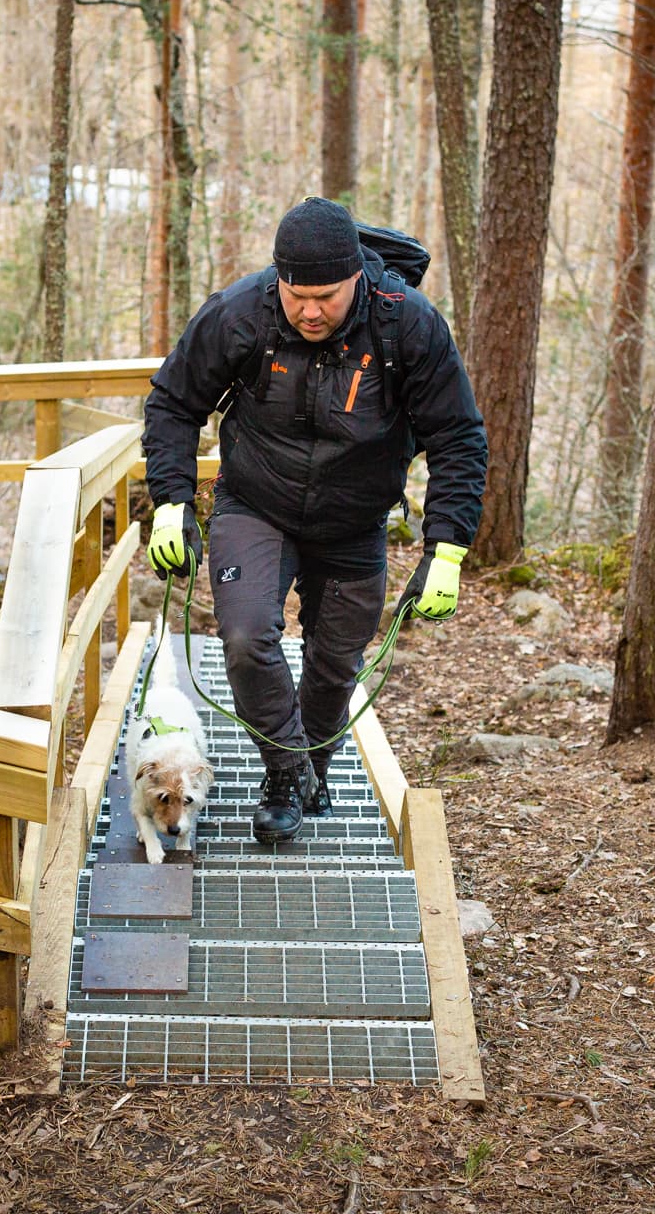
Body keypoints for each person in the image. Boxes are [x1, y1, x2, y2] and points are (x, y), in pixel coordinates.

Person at [141, 197, 488, 845]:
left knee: (334, 664)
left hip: (356, 519)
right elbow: (172, 401)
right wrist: (170, 503)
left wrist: (448, 550)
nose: (307, 310)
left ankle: (312, 767)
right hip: (256, 503)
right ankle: (287, 774)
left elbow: (459, 436)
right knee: (245, 639)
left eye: (324, 296)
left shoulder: (406, 326)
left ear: (356, 276)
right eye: (295, 294)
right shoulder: (242, 312)